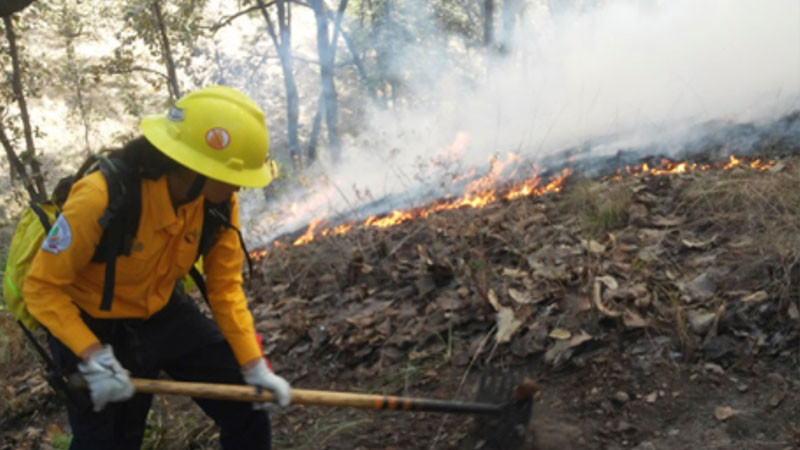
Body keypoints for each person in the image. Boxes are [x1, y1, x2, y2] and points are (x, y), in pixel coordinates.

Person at [22, 85, 290, 450]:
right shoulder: (100, 196)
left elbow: (225, 287)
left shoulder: (217, 202)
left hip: (163, 311)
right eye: (233, 177)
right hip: (90, 323)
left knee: (246, 406)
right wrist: (92, 353)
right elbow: (41, 288)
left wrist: (253, 363)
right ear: (195, 168)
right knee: (111, 442)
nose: (239, 188)